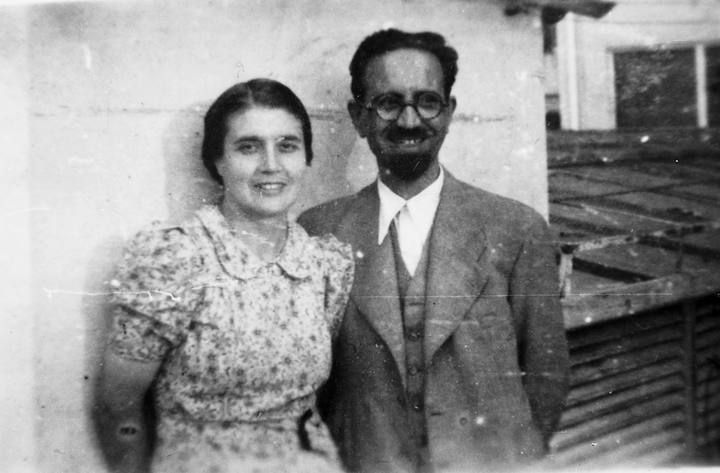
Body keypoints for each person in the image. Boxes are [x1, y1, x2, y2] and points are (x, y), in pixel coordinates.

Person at [298, 29, 570, 473]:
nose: (409, 121)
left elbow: (546, 375)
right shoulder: (320, 232)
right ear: (359, 117)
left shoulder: (516, 228)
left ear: (449, 113)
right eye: (388, 103)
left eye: (427, 101)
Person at [96, 78, 354, 473]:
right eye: (248, 147)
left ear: (306, 158)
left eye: (287, 146)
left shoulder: (323, 264)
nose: (271, 164)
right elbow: (118, 408)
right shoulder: (176, 259)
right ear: (217, 162)